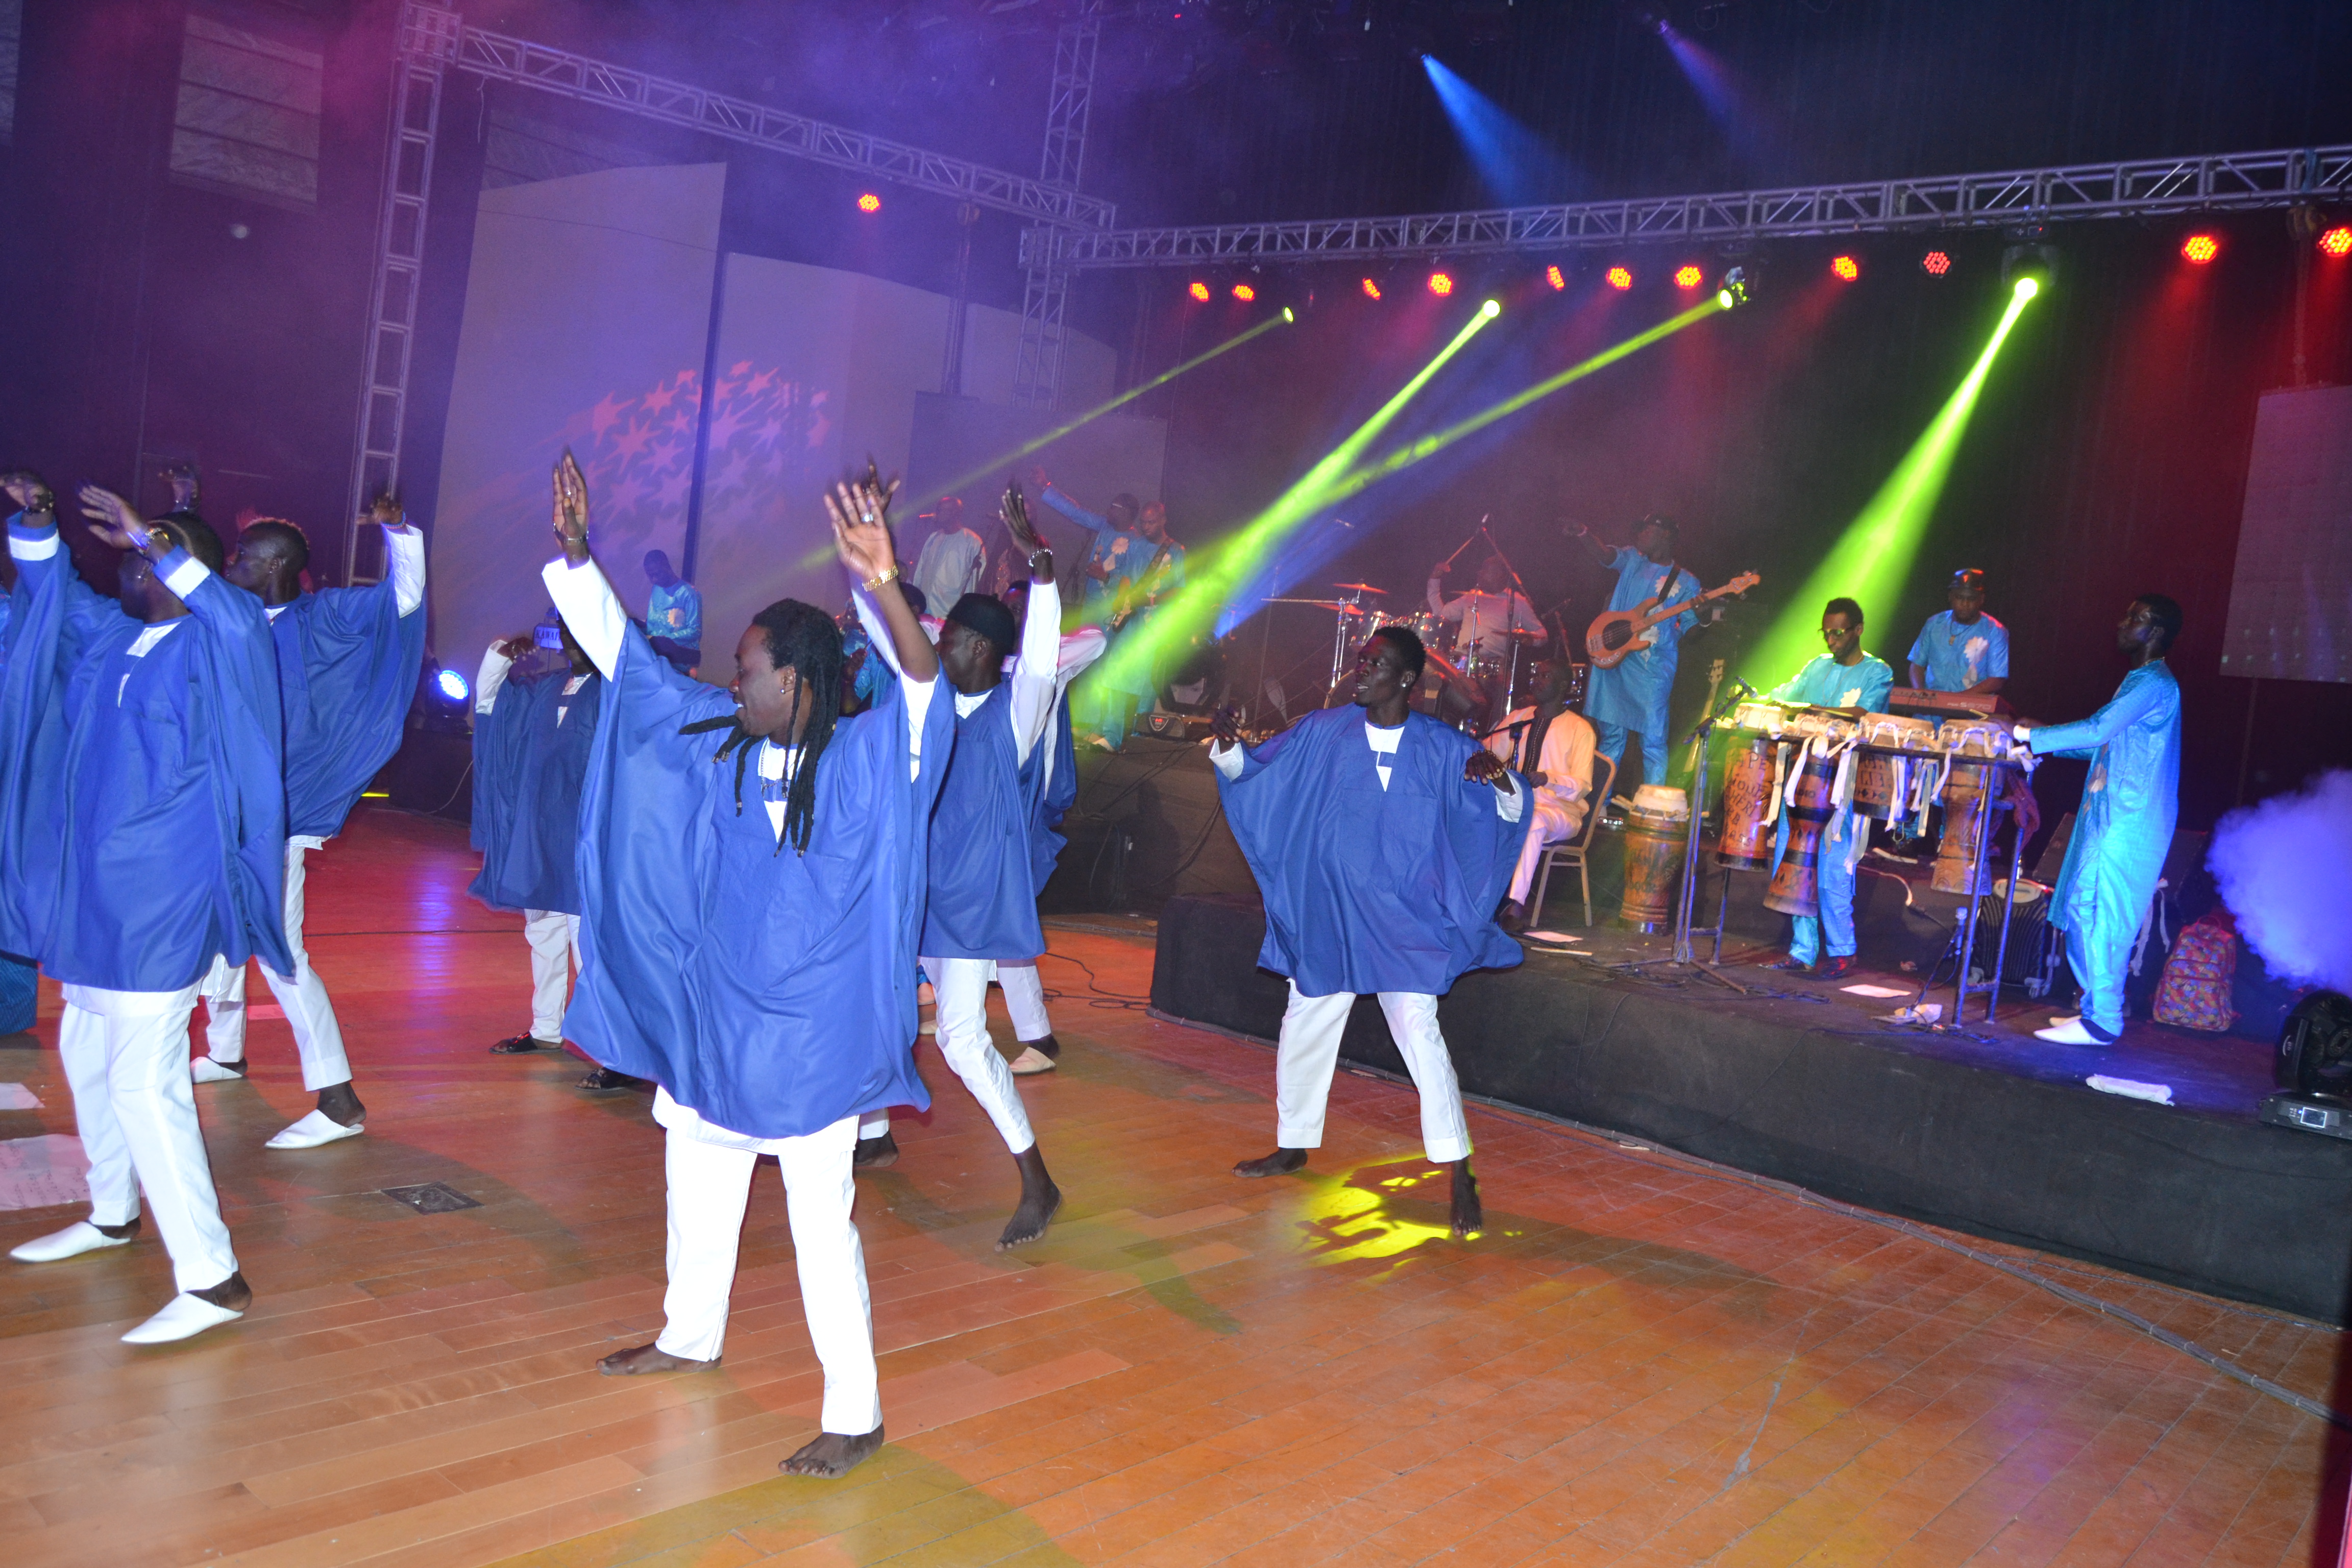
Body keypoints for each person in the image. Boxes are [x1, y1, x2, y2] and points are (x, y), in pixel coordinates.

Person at [549, 453, 947, 1482]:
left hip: (814, 1041)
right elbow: (634, 674)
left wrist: (884, 584)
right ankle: (690, 1332)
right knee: (699, 1176)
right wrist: (576, 556)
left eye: (746, 668)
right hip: (719, 1022)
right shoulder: (720, 744)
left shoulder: (865, 764)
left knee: (822, 1227)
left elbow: (917, 689)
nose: (732, 682)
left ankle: (854, 1412)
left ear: (798, 682)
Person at [0, 478, 285, 1344]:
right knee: (86, 1052)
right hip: (93, 893)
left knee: (143, 1081)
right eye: (128, 546)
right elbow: (54, 599)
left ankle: (212, 1275)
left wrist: (155, 539)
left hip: (161, 894)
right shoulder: (110, 639)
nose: (130, 555)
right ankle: (112, 1209)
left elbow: (240, 621)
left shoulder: (218, 646)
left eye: (151, 546)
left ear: (185, 561)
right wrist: (39, 528)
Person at [1210, 626, 1526, 1238]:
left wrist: (1504, 781)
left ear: (1407, 679)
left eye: (1375, 663)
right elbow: (1258, 773)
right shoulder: (1323, 731)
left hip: (1404, 919)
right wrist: (1228, 749)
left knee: (1417, 1029)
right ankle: (1293, 1143)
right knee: (1306, 1019)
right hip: (1332, 911)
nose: (1361, 670)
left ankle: (1460, 1171)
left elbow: (1505, 812)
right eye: (1361, 660)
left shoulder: (1441, 748)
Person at [855, 487, 1064, 1248]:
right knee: (875, 998)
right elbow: (884, 632)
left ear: (979, 648)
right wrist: (868, 554)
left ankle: (1037, 1178)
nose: (934, 646)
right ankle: (873, 1129)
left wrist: (1042, 575)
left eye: (949, 640)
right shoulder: (930, 698)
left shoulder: (1017, 712)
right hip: (915, 890)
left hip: (972, 906)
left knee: (962, 1040)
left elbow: (1040, 659)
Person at [191, 497, 426, 1148]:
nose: (231, 565)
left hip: (283, 811)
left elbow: (403, 602)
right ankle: (226, 1050)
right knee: (222, 929)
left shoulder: (322, 616)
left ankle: (339, 1098)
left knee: (281, 952)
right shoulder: (232, 617)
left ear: (276, 566)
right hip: (233, 806)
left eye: (242, 557)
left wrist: (399, 534)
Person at [2014, 596, 2183, 1046]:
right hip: (2112, 813)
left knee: (2103, 913)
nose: (2122, 623)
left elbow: (2097, 730)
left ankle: (2103, 1020)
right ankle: (2094, 1009)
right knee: (2079, 907)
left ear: (2158, 633)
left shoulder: (2155, 684)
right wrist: (2040, 740)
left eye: (2136, 619)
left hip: (2130, 819)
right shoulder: (2139, 682)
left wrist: (2031, 735)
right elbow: (2103, 746)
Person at [470, 610, 615, 1087]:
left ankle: (613, 1054)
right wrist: (498, 658)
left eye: (580, 630)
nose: (571, 639)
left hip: (586, 841)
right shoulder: (544, 690)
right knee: (544, 938)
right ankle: (546, 1029)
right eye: (566, 631)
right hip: (540, 837)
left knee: (588, 949)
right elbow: (489, 705)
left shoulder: (617, 693)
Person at [1763, 598, 1894, 979]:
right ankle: (1802, 951)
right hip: (1800, 782)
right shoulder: (1816, 667)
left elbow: (1864, 714)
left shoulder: (1877, 672)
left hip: (1841, 783)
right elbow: (1786, 694)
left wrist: (1812, 710)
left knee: (1832, 869)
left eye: (1839, 632)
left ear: (1858, 630)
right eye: (1827, 632)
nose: (1832, 640)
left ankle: (1842, 952)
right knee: (1794, 863)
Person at [1574, 514, 1700, 792]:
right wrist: (1584, 532)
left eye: (1648, 528)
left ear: (1666, 534)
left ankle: (1652, 809)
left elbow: (1693, 634)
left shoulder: (1687, 582)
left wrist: (1702, 617)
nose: (1641, 533)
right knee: (1611, 738)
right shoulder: (1633, 560)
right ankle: (1599, 806)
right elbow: (1606, 555)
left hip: (1652, 667)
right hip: (1615, 657)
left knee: (1653, 739)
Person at [1488, 658, 1598, 930]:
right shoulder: (1518, 719)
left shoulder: (1579, 729)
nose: (1537, 679)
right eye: (1537, 673)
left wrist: (1550, 779)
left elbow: (1583, 785)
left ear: (1563, 685)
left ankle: (1515, 904)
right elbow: (1488, 751)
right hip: (1514, 803)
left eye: (1546, 676)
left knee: (1533, 820)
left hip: (1560, 811)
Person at [1907, 569, 2010, 696]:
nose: (1965, 604)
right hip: (1927, 713)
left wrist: (1954, 702)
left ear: (1981, 599)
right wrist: (1920, 693)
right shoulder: (1934, 624)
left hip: (1970, 713)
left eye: (1971, 599)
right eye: (1960, 597)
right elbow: (1917, 664)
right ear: (1950, 596)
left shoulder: (1995, 631)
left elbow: (1997, 680)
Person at [908, 496, 985, 615]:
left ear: (956, 513)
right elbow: (920, 573)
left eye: (943, 510)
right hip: (924, 612)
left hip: (949, 614)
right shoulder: (934, 538)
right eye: (938, 509)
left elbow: (976, 582)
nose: (938, 514)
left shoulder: (972, 542)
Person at [642, 549, 701, 675]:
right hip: (656, 657)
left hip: (678, 661)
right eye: (650, 575)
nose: (653, 579)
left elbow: (695, 631)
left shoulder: (689, 593)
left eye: (656, 574)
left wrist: (665, 639)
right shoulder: (656, 589)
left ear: (666, 567)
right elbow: (655, 623)